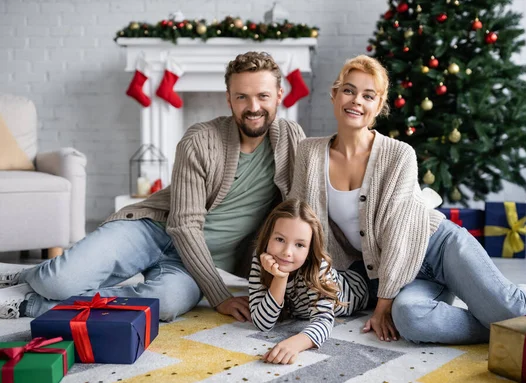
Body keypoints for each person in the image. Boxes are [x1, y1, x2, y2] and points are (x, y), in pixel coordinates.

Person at [0, 51, 306, 322]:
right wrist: (220, 295)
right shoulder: (201, 139)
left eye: (263, 96)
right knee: (59, 281)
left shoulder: (291, 140)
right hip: (151, 230)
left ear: (279, 94)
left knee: (166, 304)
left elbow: (306, 204)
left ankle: (28, 304)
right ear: (228, 98)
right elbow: (184, 225)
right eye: (242, 97)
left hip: (194, 262)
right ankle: (27, 274)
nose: (253, 107)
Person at [289, 55, 526, 345]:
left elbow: (398, 235)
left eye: (368, 95)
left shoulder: (399, 155)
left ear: (379, 106)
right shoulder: (308, 153)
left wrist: (383, 306)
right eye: (348, 90)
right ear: (334, 95)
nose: (356, 100)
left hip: (439, 249)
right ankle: (505, 327)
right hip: (403, 275)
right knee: (412, 320)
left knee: (510, 309)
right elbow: (299, 222)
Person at [249, 199, 368, 364]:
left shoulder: (316, 265)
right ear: (268, 236)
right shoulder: (261, 258)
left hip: (363, 284)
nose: (287, 252)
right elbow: (262, 323)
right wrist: (280, 277)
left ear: (310, 249)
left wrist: (295, 344)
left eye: (299, 244)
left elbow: (324, 320)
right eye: (280, 239)